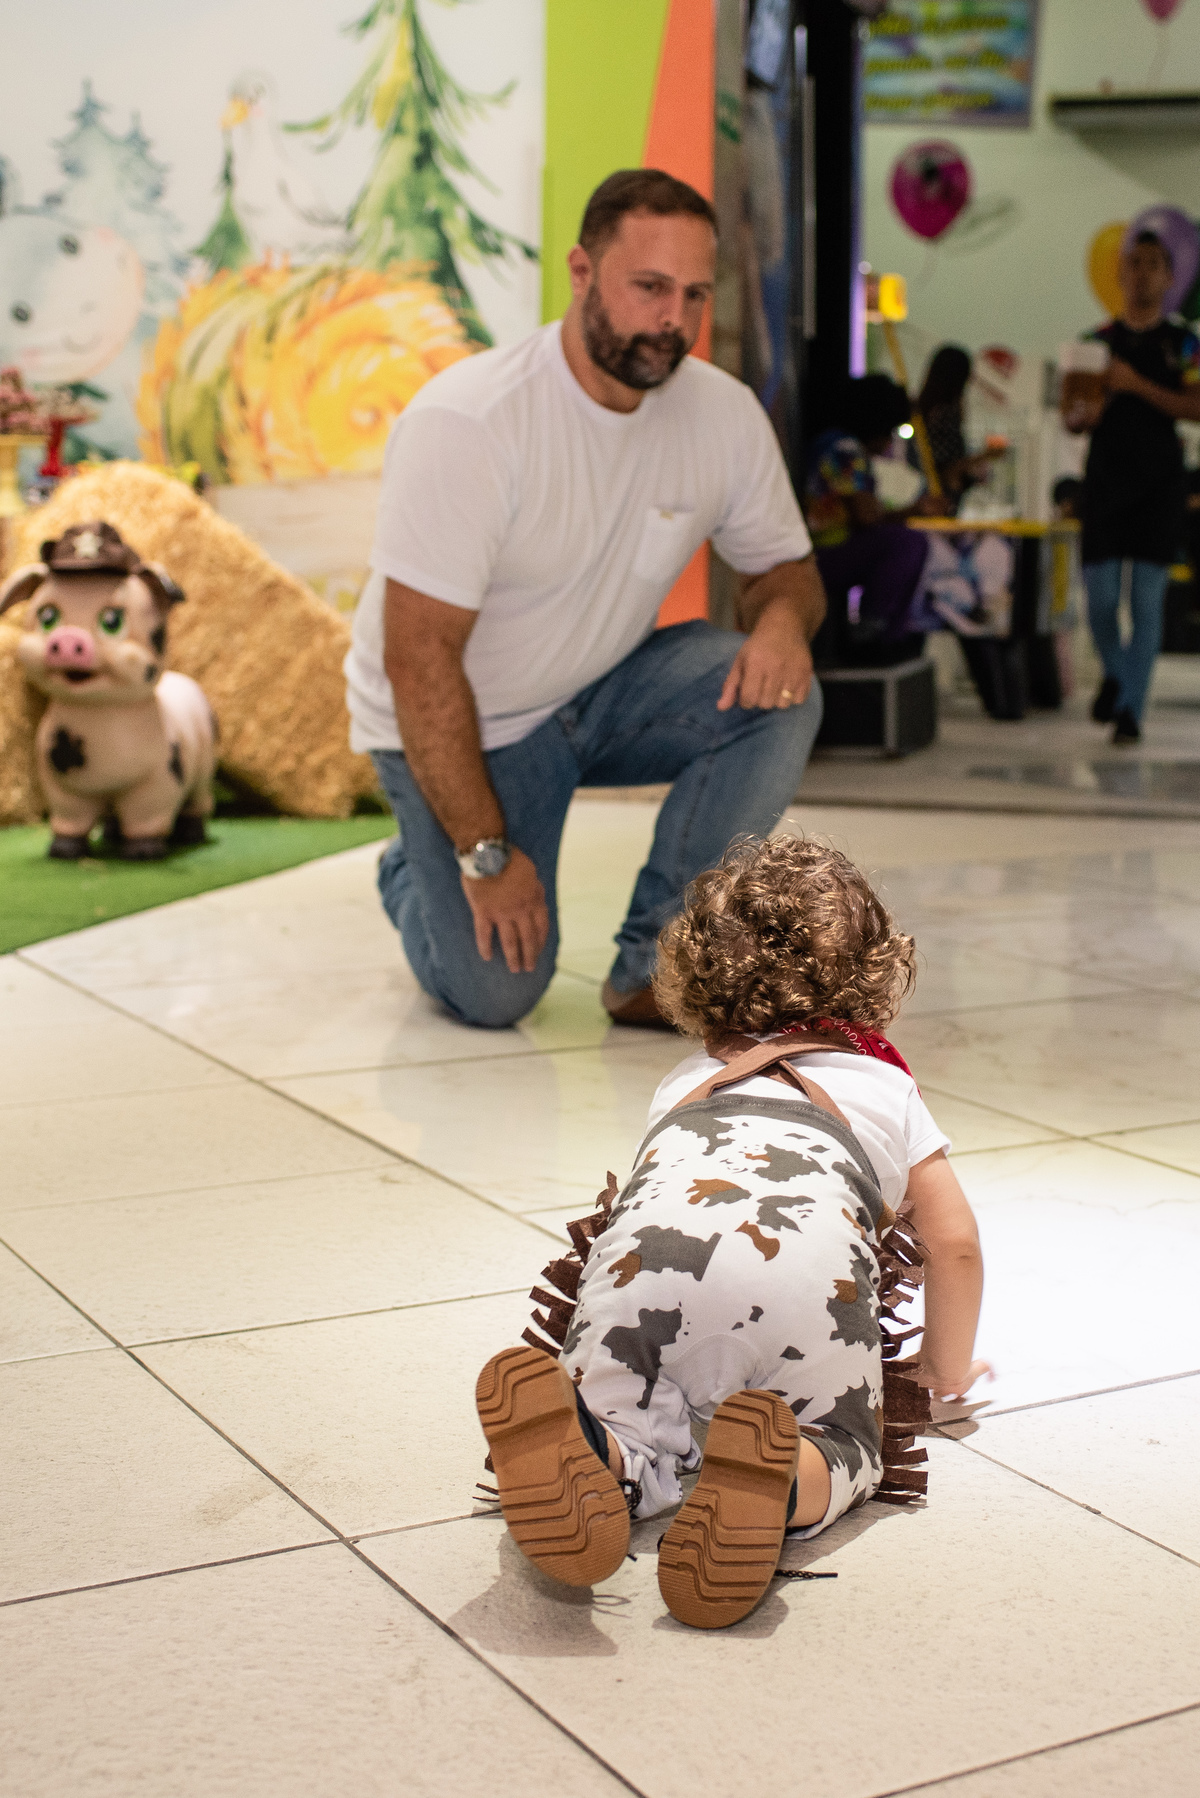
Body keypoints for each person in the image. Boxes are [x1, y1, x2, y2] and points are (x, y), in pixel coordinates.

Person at [345, 169, 826, 1030]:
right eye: (648, 288)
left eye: (694, 294)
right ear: (580, 272)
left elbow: (784, 573)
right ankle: (411, 867)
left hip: (598, 691)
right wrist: (485, 857)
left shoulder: (722, 414)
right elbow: (417, 659)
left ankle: (658, 963)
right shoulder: (472, 421)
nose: (673, 319)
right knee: (497, 995)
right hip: (461, 726)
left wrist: (784, 622)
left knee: (783, 694)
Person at [475, 836, 989, 1630]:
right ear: (877, 975)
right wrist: (942, 1370)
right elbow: (953, 1243)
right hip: (804, 1287)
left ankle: (596, 1448)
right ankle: (781, 1481)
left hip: (644, 1271)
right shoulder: (885, 1087)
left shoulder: (682, 1083)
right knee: (845, 1439)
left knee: (632, 1409)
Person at [1070, 229, 1200, 745]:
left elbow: (1195, 407)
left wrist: (1137, 386)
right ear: (1120, 275)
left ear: (1169, 278)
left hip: (1160, 484)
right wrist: (1087, 410)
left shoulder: (1184, 343)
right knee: (1099, 601)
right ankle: (1120, 676)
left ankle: (1131, 712)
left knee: (1147, 603)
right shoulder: (1094, 342)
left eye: (1153, 264)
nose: (1142, 273)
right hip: (1104, 481)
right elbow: (1072, 416)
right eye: (1134, 263)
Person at [804, 374, 934, 665]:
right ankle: (873, 631)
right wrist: (913, 511)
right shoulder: (844, 449)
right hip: (825, 552)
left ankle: (887, 633)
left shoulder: (839, 445)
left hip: (831, 549)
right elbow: (866, 516)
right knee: (907, 543)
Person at [910, 344, 1003, 512]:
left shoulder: (924, 412)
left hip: (929, 494)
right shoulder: (946, 414)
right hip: (942, 498)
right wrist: (986, 455)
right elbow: (946, 468)